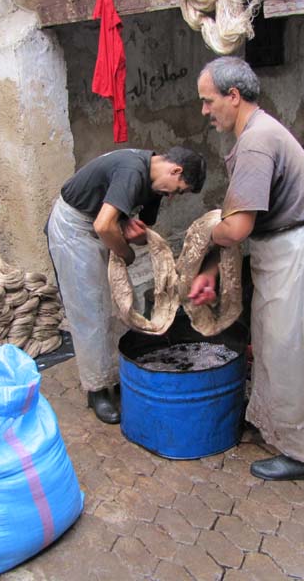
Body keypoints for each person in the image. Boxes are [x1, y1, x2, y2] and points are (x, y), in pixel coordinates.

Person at [190, 56, 304, 481]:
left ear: (233, 96)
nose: (205, 111)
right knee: (283, 351)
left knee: (288, 355)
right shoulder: (260, 131)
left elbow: (237, 226)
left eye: (208, 102)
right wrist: (210, 269)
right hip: (294, 253)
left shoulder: (257, 143)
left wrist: (203, 230)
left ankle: (301, 456)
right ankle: (288, 431)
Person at [46, 147, 207, 424]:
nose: (172, 196)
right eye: (177, 190)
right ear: (175, 170)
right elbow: (104, 225)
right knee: (90, 309)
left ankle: (117, 371)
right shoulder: (133, 171)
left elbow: (137, 229)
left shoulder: (156, 185)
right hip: (74, 225)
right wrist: (126, 254)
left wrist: (139, 237)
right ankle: (96, 389)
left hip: (100, 221)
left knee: (122, 301)